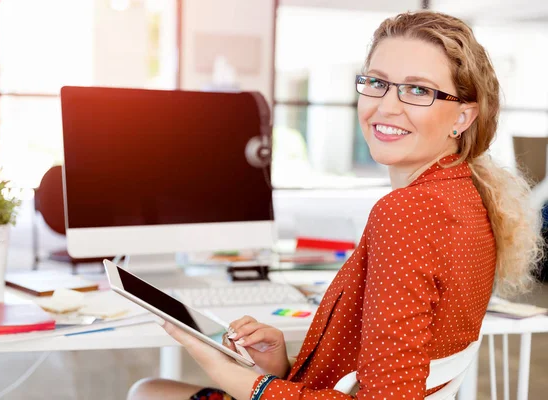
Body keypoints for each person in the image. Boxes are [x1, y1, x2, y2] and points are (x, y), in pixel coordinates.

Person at [127, 10, 544, 400]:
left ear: (463, 117)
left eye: (418, 90)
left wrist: (229, 372)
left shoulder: (408, 212)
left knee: (147, 391)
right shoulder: (466, 198)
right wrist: (282, 366)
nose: (386, 106)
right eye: (377, 82)